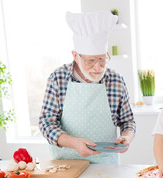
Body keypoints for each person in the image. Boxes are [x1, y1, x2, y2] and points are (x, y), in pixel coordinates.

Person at [39, 11, 136, 164]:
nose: (97, 67)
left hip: (106, 163)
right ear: (75, 56)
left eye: (102, 59)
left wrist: (127, 137)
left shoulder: (115, 81)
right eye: (90, 61)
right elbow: (46, 123)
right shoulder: (58, 79)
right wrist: (74, 143)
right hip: (66, 163)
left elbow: (128, 121)